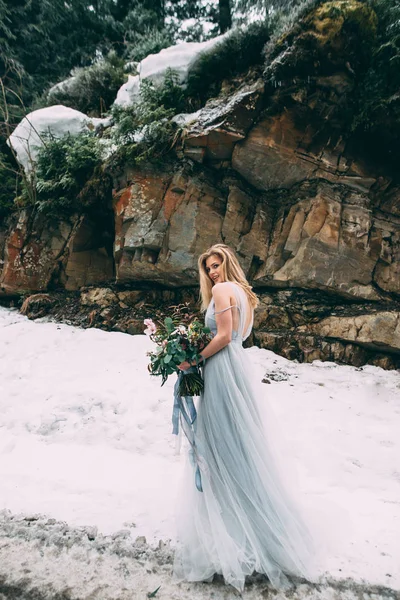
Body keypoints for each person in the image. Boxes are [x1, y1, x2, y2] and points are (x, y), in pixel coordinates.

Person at [173, 244, 315, 593]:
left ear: (227, 263)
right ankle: (255, 533)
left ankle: (235, 540)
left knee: (222, 450)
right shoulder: (244, 296)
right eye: (208, 268)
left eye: (217, 265)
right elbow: (233, 337)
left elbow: (222, 336)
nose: (212, 273)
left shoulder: (223, 290)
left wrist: (191, 360)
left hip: (222, 371)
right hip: (237, 370)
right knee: (241, 450)